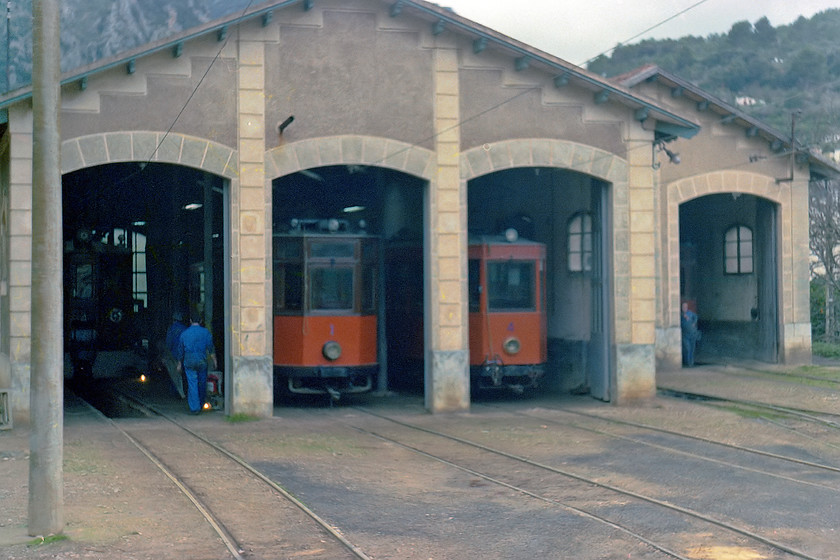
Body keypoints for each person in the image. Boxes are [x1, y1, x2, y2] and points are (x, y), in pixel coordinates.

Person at [176, 311, 217, 414]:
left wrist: (179, 364)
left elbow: (181, 351)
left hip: (189, 361)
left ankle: (195, 408)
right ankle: (201, 403)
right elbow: (211, 348)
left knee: (192, 383)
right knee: (202, 382)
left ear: (190, 321)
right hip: (202, 360)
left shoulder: (184, 334)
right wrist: (215, 361)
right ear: (201, 321)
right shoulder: (206, 332)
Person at [164, 311, 188, 398]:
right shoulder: (185, 329)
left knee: (174, 375)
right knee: (184, 374)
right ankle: (184, 391)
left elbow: (168, 343)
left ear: (173, 319)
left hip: (173, 355)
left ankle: (175, 393)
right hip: (184, 355)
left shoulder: (171, 329)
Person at [681, 302, 700, 367]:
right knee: (687, 348)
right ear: (682, 308)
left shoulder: (690, 313)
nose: (684, 308)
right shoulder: (680, 315)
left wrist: (694, 323)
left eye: (685, 307)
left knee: (692, 348)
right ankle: (688, 362)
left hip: (692, 333)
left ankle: (691, 362)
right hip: (685, 334)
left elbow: (696, 317)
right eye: (683, 307)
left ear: (687, 307)